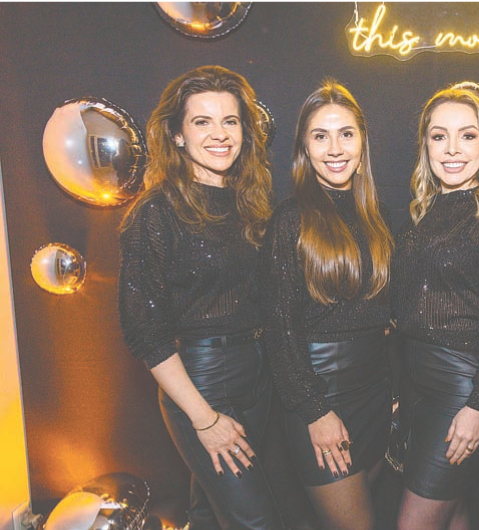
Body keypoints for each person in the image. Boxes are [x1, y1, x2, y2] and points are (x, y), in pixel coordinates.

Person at [118, 65, 315, 530]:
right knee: (258, 522)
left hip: (259, 377)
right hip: (202, 382)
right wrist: (204, 420)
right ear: (177, 135)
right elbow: (145, 333)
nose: (219, 134)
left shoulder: (251, 202)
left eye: (230, 121)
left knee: (210, 514)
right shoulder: (156, 213)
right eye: (202, 122)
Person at [391, 84, 479, 530]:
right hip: (419, 386)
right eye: (439, 136)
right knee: (454, 513)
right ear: (426, 146)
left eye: (467, 136)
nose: (452, 149)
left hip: (462, 390)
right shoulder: (420, 216)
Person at [261, 80, 393, 530]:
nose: (335, 149)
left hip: (376, 395)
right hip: (319, 394)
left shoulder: (378, 216)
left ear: (362, 141)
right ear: (304, 147)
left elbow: (383, 315)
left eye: (346, 134)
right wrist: (315, 411)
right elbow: (279, 331)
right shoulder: (290, 220)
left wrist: (394, 392)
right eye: (321, 136)